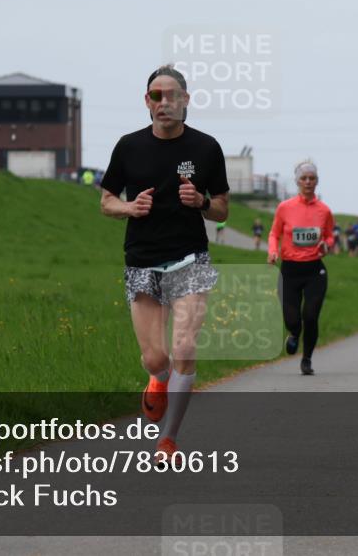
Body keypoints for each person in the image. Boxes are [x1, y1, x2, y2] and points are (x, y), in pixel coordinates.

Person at [99, 64, 229, 464]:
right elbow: (105, 202)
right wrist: (129, 207)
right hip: (142, 261)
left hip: (190, 259)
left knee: (184, 347)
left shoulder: (206, 148)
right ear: (147, 102)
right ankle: (157, 379)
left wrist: (203, 203)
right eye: (156, 96)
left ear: (186, 100)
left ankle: (167, 440)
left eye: (172, 95)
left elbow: (222, 210)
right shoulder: (128, 146)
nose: (164, 103)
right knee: (157, 358)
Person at [268, 160, 334, 375]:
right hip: (290, 270)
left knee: (311, 315)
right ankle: (294, 333)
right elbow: (274, 233)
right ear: (297, 181)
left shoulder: (324, 211)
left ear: (317, 181)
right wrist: (272, 251)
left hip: (315, 270)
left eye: (312, 178)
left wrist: (327, 245)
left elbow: (331, 236)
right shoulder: (285, 207)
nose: (308, 182)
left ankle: (307, 360)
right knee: (293, 319)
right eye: (304, 178)